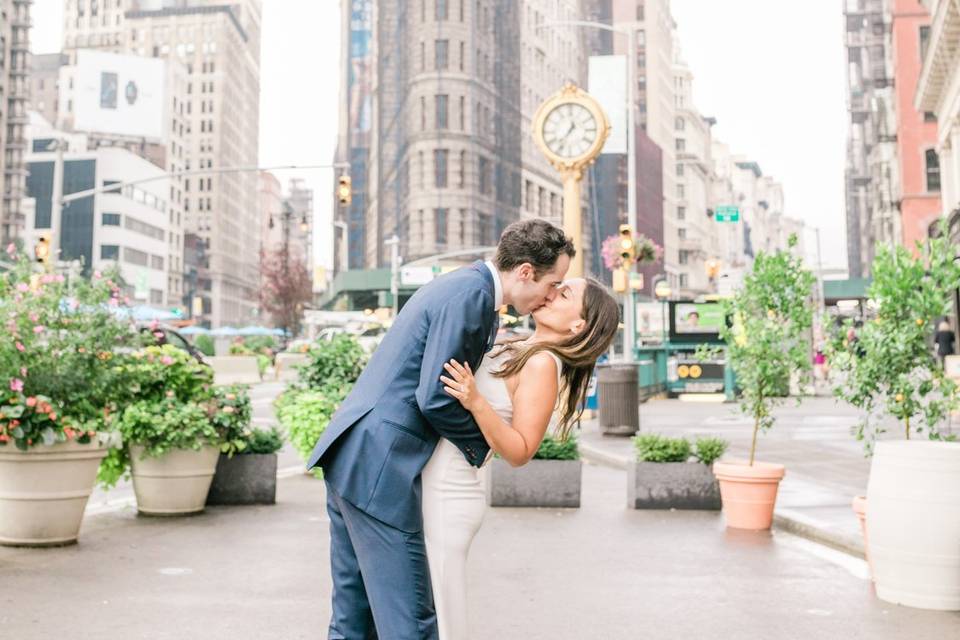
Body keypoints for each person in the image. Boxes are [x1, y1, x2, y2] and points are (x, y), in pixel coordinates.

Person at [306, 219, 575, 639]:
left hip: (354, 456)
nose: (552, 293)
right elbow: (435, 395)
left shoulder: (465, 289)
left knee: (353, 620)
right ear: (525, 271)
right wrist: (480, 450)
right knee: (410, 621)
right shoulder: (472, 297)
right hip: (381, 468)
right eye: (553, 282)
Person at [430, 277, 619, 638]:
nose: (550, 294)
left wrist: (475, 401)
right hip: (437, 483)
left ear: (578, 325)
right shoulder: (520, 346)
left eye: (563, 295)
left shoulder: (543, 363)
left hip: (450, 493)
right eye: (555, 286)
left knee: (443, 613)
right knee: (430, 609)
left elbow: (520, 451)